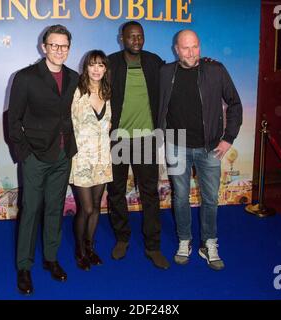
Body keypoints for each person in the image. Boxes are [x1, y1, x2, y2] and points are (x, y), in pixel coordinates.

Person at [158, 30, 242, 270]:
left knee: (210, 198)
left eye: (195, 47)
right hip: (176, 144)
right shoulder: (165, 73)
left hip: (210, 147)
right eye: (185, 48)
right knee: (180, 197)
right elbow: (156, 104)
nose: (191, 52)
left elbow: (234, 103)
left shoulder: (215, 70)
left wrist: (228, 138)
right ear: (176, 49)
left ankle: (209, 243)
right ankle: (185, 240)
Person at [8, 24, 79, 295]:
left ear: (69, 48)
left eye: (64, 46)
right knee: (30, 211)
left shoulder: (74, 77)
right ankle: (24, 267)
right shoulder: (25, 77)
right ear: (44, 47)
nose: (59, 50)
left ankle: (51, 259)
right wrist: (24, 153)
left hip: (63, 155)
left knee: (55, 209)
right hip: (35, 156)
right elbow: (13, 120)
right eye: (54, 45)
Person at [107, 21, 169, 269]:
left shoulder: (155, 62)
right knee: (116, 192)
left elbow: (178, 74)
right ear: (122, 38)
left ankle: (153, 246)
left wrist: (203, 63)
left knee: (150, 194)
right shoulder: (110, 63)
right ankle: (122, 238)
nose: (136, 40)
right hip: (118, 138)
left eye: (140, 36)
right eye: (131, 36)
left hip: (146, 140)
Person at [69, 50, 113, 271]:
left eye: (101, 65)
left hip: (103, 157)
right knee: (85, 208)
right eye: (92, 65)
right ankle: (80, 249)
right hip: (81, 159)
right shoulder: (76, 92)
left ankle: (91, 247)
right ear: (85, 67)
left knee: (96, 206)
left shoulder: (108, 92)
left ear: (105, 69)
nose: (96, 69)